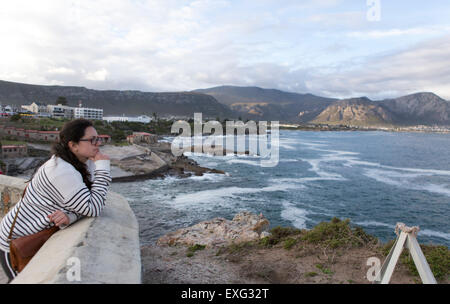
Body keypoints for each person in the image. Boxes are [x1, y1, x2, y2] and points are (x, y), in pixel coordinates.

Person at [0, 118, 111, 282]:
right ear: (73, 145)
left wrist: (71, 216)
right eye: (92, 140)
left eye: (98, 138)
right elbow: (93, 207)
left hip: (38, 235)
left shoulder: (84, 164)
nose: (98, 143)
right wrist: (104, 168)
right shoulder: (61, 171)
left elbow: (92, 201)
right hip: (16, 241)